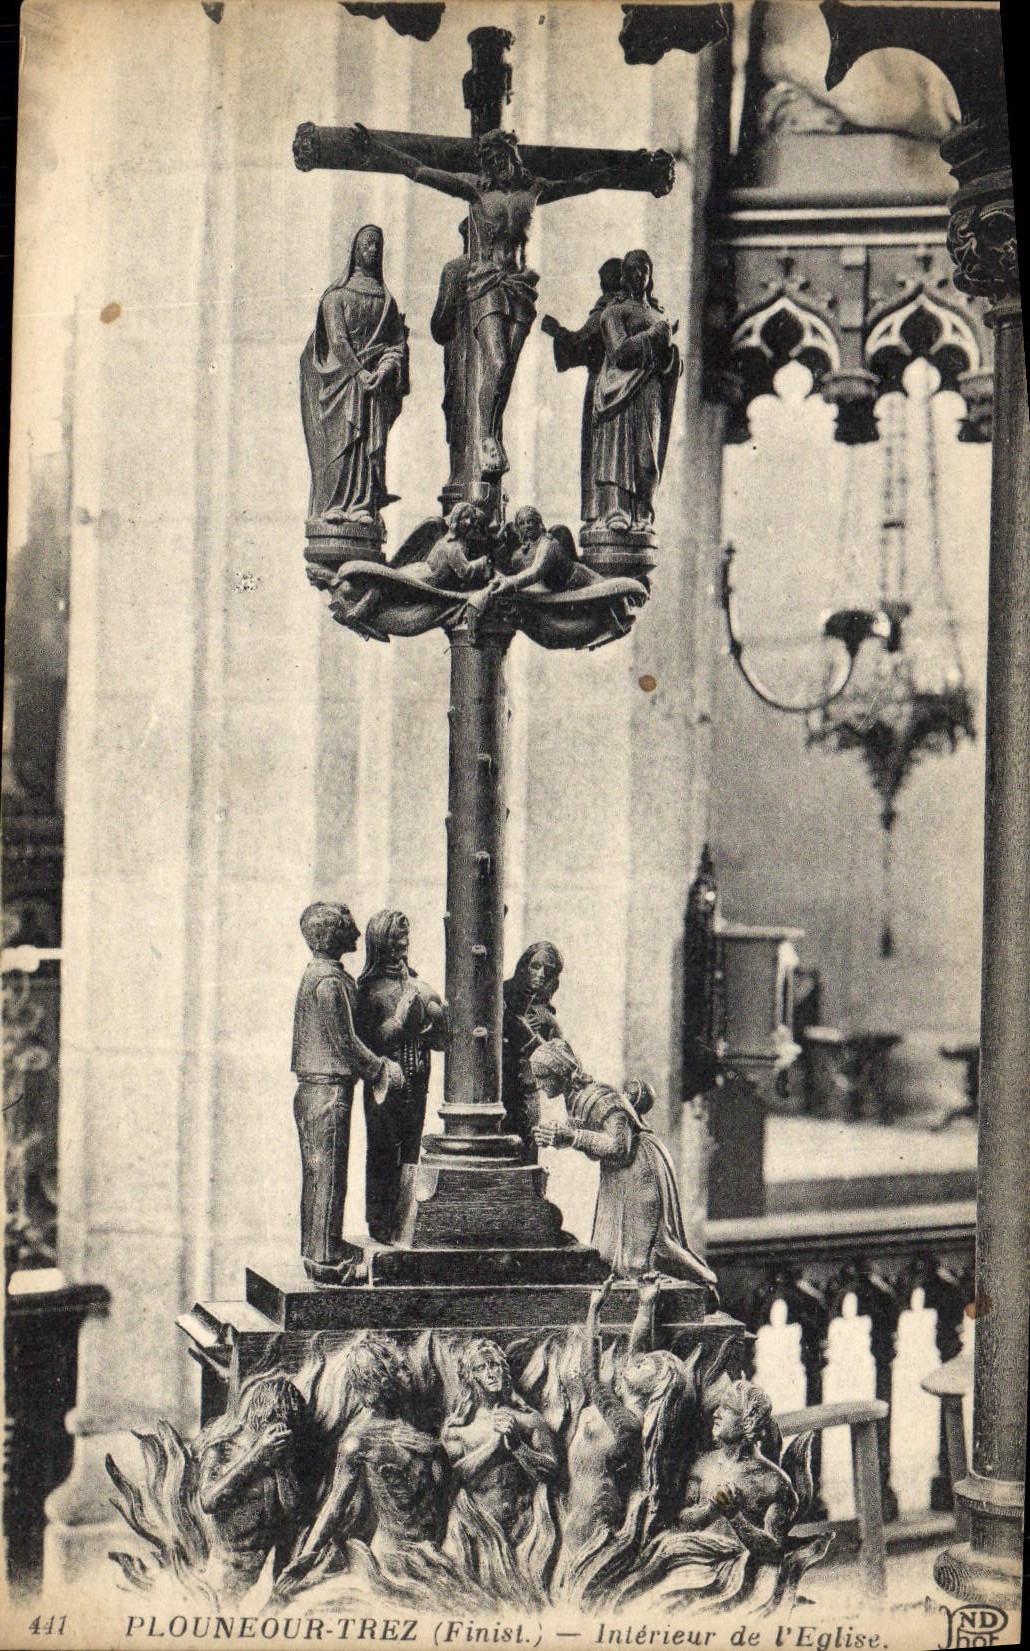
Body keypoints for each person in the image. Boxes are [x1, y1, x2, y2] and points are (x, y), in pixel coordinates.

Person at [350, 125, 662, 485]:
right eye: (490, 160)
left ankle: (492, 432)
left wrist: (628, 170)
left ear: (513, 156)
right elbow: (420, 171)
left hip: (519, 286)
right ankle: (487, 436)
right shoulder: (474, 190)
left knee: (507, 369)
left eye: (502, 157)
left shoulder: (534, 190)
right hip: (486, 282)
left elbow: (584, 181)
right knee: (496, 361)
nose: (497, 165)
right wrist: (378, 149)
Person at [529, 1041, 718, 1290]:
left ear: (560, 1073)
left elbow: (620, 1147)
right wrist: (562, 1137)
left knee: (653, 1244)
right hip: (618, 1173)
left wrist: (572, 1137)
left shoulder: (601, 1098)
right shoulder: (576, 1099)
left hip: (640, 1167)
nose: (540, 1085)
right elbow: (596, 1149)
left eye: (543, 1078)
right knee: (609, 1252)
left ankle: (705, 1282)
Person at [291, 902, 404, 1283]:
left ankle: (318, 1246)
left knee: (319, 1172)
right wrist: (380, 1069)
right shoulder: (330, 982)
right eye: (348, 928)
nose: (357, 935)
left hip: (316, 1090)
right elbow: (345, 1042)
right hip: (328, 1091)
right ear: (332, 936)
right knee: (329, 1173)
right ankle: (325, 1260)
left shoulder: (320, 975)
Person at [300, 224, 409, 525]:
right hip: (342, 382)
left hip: (374, 386)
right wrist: (359, 372)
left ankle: (362, 504)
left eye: (377, 244)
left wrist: (385, 369)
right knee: (340, 443)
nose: (373, 249)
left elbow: (396, 344)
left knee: (368, 446)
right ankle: (333, 503)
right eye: (367, 244)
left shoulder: (387, 301)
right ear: (355, 250)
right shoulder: (335, 297)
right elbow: (337, 341)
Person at [356, 909, 447, 1243]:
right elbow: (368, 1043)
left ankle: (406, 1219)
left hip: (417, 1079)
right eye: (396, 936)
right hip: (386, 1082)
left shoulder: (418, 985)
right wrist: (399, 1016)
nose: (403, 943)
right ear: (380, 941)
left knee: (410, 1150)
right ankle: (380, 1220)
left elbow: (439, 1043)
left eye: (405, 936)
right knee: (382, 1150)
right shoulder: (368, 991)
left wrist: (437, 1022)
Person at [591, 249, 680, 534]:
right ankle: (616, 508)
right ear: (623, 276)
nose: (638, 274)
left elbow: (669, 363)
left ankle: (644, 511)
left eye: (643, 269)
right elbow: (620, 353)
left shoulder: (658, 314)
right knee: (617, 449)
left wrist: (670, 357)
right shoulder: (613, 313)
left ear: (650, 274)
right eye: (631, 269)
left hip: (650, 391)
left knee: (647, 454)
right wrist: (655, 336)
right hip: (618, 392)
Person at [196, 1376, 308, 1601]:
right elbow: (208, 1501)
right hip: (225, 1576)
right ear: (264, 1417)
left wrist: (281, 1465)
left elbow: (296, 1514)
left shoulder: (280, 1457)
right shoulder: (221, 1450)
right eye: (281, 1425)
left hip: (265, 1578)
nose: (284, 1434)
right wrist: (256, 1455)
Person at [541, 257, 624, 524]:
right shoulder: (628, 310)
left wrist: (556, 331)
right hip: (622, 391)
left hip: (601, 387)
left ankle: (597, 510)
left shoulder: (606, 311)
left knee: (597, 451)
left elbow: (579, 345)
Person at [676, 1380, 798, 1561]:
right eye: (719, 1407)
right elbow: (682, 1521)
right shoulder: (702, 1465)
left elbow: (775, 1551)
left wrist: (734, 1516)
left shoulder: (773, 1482)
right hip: (693, 1563)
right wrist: (710, 1511)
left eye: (728, 1408)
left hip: (740, 1574)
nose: (717, 1414)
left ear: (749, 1420)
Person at [500, 940, 568, 1158]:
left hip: (526, 1099)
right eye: (535, 966)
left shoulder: (547, 1017)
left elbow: (563, 1066)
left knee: (525, 1158)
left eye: (547, 971)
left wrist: (532, 1041)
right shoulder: (501, 997)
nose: (540, 974)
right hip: (496, 1097)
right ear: (524, 965)